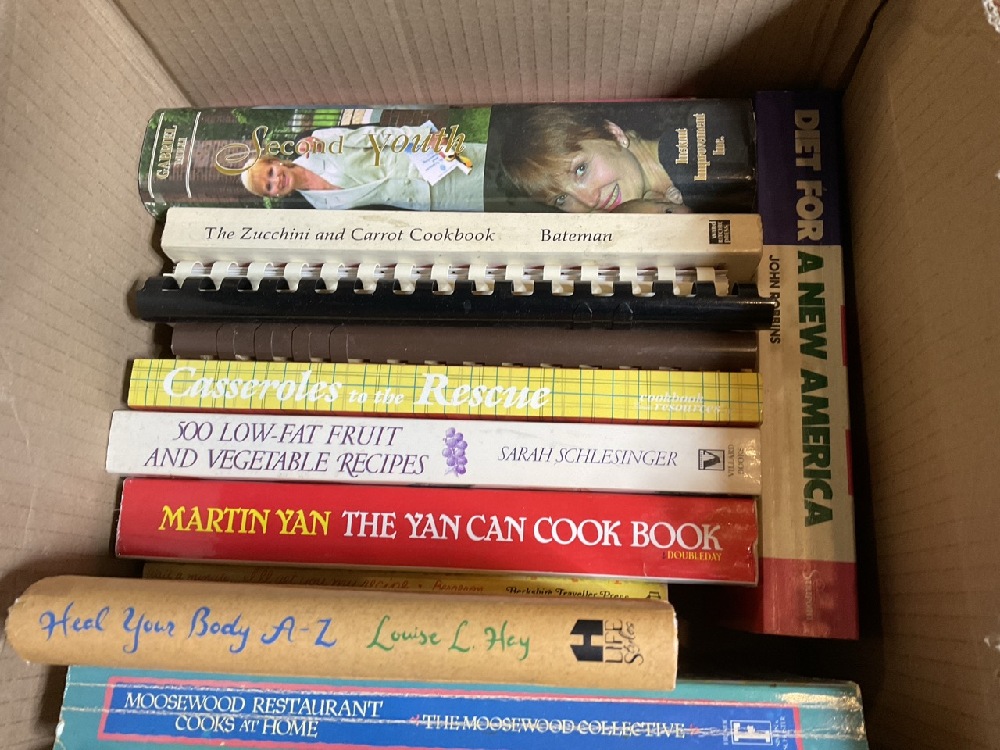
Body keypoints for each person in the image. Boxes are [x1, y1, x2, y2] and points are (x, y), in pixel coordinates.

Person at [495, 103, 754, 213]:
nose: (589, 201)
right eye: (561, 199)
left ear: (614, 134)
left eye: (581, 169)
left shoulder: (705, 131)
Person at [240, 124, 487, 211]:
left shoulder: (318, 144)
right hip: (428, 198)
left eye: (270, 173)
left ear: (275, 162)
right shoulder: (320, 206)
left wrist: (424, 139)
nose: (276, 180)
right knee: (499, 200)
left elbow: (376, 135)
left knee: (495, 165)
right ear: (273, 195)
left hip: (428, 159)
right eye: (269, 187)